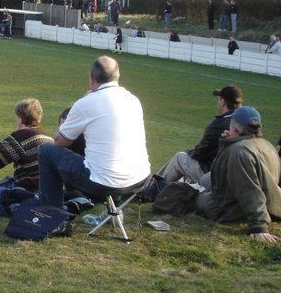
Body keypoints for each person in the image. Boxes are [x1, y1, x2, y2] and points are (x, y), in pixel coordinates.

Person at [37, 56, 151, 208]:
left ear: (92, 78)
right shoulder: (133, 100)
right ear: (117, 76)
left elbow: (60, 140)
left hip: (103, 182)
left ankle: (49, 212)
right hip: (139, 177)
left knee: (46, 149)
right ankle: (114, 207)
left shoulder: (87, 103)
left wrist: (67, 122)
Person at [195, 107, 280, 243]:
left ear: (235, 129)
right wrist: (226, 143)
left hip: (233, 210)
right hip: (270, 202)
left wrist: (258, 226)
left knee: (193, 195)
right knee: (205, 179)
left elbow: (249, 189)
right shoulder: (266, 144)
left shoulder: (239, 151)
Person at [156, 86, 242, 184]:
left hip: (213, 176)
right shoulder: (244, 122)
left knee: (179, 158)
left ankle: (152, 188)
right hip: (236, 175)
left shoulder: (219, 124)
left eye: (218, 99)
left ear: (222, 102)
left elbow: (200, 153)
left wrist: (190, 152)